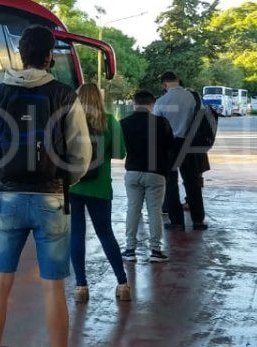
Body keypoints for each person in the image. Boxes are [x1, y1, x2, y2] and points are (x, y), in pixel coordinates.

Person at [0, 24, 91, 347]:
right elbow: (81, 153)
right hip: (51, 198)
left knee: (0, 284)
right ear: (50, 56)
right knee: (53, 287)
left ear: (19, 55)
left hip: (8, 198)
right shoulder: (64, 94)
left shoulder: (0, 92)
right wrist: (64, 180)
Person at [68, 83, 130, 302]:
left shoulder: (70, 121)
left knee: (76, 234)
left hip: (73, 186)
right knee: (105, 234)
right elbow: (120, 153)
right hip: (100, 187)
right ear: (99, 99)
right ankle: (122, 284)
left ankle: (81, 287)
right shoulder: (109, 121)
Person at [119, 89, 174, 262]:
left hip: (133, 172)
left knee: (133, 209)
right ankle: (156, 251)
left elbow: (120, 150)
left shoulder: (124, 123)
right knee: (154, 211)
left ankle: (130, 250)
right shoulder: (162, 122)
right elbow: (170, 148)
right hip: (156, 173)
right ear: (152, 104)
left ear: (134, 104)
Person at [153, 72, 207, 230]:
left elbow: (156, 127)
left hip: (169, 146)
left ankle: (176, 221)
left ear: (164, 84)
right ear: (178, 81)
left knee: (170, 183)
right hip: (190, 144)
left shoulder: (161, 101)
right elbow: (203, 119)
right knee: (192, 182)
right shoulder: (193, 98)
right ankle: (198, 220)